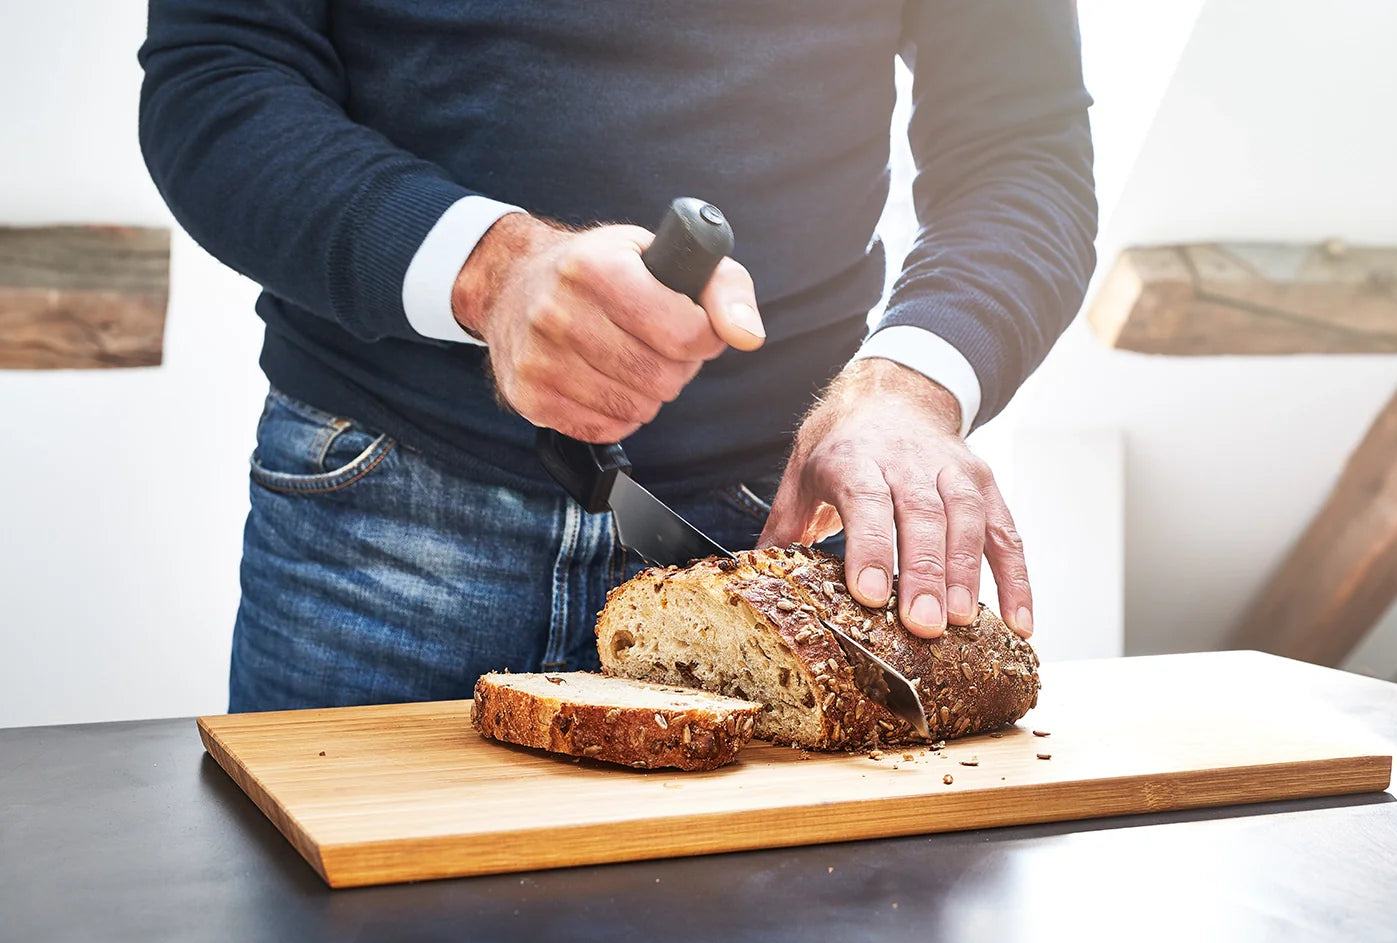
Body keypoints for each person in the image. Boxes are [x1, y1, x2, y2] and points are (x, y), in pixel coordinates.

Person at [138, 1, 1098, 713]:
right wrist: (492, 271)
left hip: (778, 538)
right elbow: (219, 74)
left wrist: (907, 389)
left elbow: (1023, 148)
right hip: (378, 522)